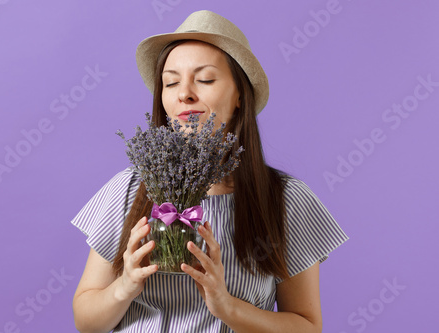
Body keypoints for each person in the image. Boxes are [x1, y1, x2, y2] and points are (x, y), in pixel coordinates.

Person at [71, 10, 348, 333]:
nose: (184, 93)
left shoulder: (285, 200)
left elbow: (307, 327)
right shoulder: (130, 189)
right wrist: (125, 286)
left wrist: (227, 306)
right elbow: (86, 321)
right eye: (171, 82)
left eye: (204, 79)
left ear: (240, 95)